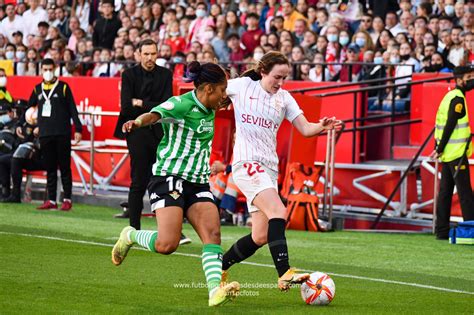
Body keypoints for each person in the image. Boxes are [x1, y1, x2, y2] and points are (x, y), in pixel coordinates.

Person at [111, 61, 240, 307]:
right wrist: (137, 122)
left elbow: (237, 88)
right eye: (222, 91)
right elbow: (155, 114)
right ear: (209, 89)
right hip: (169, 177)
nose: (225, 97)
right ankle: (130, 235)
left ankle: (215, 291)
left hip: (199, 182)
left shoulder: (211, 101)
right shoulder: (181, 104)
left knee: (212, 234)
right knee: (167, 244)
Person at [221, 51, 342, 291]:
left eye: (284, 78)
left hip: (268, 168)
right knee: (279, 210)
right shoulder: (243, 86)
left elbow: (306, 129)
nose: (280, 83)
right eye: (277, 77)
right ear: (263, 71)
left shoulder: (284, 98)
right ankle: (284, 272)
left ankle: (219, 266)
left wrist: (323, 126)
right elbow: (213, 90)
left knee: (260, 236)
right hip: (246, 163)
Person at [113, 39, 172, 228]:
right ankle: (133, 228)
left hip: (159, 132)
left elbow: (166, 105)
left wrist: (141, 103)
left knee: (163, 180)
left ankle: (169, 227)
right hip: (136, 132)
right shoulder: (129, 75)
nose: (150, 58)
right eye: (146, 54)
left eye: (153, 54)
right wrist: (148, 106)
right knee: (138, 180)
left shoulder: (165, 74)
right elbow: (126, 108)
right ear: (138, 54)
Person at [24, 58, 82, 210]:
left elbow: (72, 109)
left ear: (55, 69)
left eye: (50, 69)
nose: (48, 72)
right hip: (45, 134)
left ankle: (67, 199)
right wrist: (31, 125)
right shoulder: (37, 89)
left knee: (64, 167)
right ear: (41, 70)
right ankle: (51, 200)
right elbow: (29, 109)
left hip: (62, 133)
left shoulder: (63, 87)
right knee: (50, 168)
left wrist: (78, 129)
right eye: (45, 69)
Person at [430, 65, 474, 240]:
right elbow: (448, 125)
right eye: (469, 76)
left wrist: (438, 148)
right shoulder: (457, 99)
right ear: (458, 80)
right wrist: (439, 149)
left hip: (447, 153)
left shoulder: (449, 96)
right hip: (456, 153)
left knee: (445, 193)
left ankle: (441, 232)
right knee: (465, 195)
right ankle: (471, 231)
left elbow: (438, 126)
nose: (471, 80)